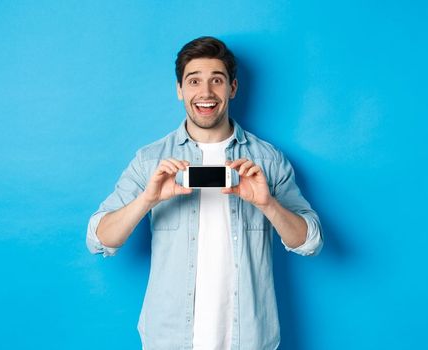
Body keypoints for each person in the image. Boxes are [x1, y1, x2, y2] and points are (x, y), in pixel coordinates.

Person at [85, 36, 323, 350]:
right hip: (169, 339)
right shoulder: (150, 160)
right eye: (194, 81)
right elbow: (99, 239)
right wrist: (148, 199)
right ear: (179, 90)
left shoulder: (268, 159)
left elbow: (310, 241)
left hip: (249, 339)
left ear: (232, 88)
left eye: (217, 80)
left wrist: (268, 204)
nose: (206, 92)